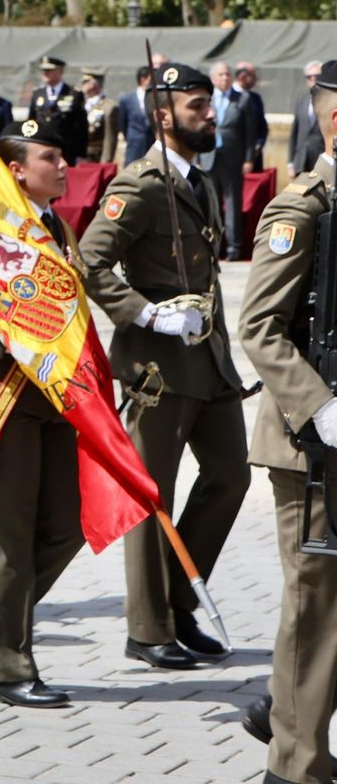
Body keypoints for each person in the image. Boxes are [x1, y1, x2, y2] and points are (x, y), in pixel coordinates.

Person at [79, 61, 248, 671]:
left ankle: (179, 601)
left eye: (209, 104)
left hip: (208, 362)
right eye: (197, 106)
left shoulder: (197, 182)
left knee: (231, 476)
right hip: (158, 369)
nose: (210, 114)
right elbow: (89, 262)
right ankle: (148, 627)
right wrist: (146, 315)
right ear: (163, 115)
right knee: (155, 496)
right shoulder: (139, 185)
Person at [0, 119, 84, 708]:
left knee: (68, 527)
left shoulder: (57, 225)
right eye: (50, 157)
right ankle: (9, 671)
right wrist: (16, 336)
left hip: (55, 399)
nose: (63, 167)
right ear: (17, 169)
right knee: (8, 538)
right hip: (5, 398)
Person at [236, 58, 337, 784]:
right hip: (314, 448)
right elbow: (261, 327)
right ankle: (294, 765)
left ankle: (292, 718)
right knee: (315, 607)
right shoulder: (304, 207)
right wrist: (322, 406)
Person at [208, 61, 254, 260]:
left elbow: (250, 133)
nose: (224, 78)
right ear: (212, 79)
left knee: (232, 202)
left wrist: (249, 158)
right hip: (209, 157)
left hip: (232, 158)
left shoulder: (242, 99)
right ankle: (212, 246)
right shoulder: (206, 99)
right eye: (220, 75)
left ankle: (233, 247)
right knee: (210, 203)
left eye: (227, 74)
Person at [28, 56, 88, 165]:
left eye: (49, 70)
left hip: (66, 151)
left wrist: (81, 154)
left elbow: (82, 127)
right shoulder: (38, 94)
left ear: (60, 71)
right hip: (42, 148)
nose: (45, 73)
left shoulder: (73, 94)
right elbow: (31, 122)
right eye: (44, 70)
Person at [288, 60, 325, 178]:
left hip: (321, 161)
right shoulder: (302, 100)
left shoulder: (330, 101)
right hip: (301, 161)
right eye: (309, 77)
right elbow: (295, 132)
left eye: (317, 76)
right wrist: (290, 162)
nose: (313, 79)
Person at [113, 66, 156, 165]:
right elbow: (122, 123)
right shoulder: (127, 100)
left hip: (152, 145)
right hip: (134, 146)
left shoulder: (157, 99)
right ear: (143, 80)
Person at [81, 67, 118, 164]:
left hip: (96, 159)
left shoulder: (109, 107)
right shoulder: (81, 103)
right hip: (80, 158)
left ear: (93, 84)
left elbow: (110, 138)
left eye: (85, 82)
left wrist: (105, 162)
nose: (82, 85)